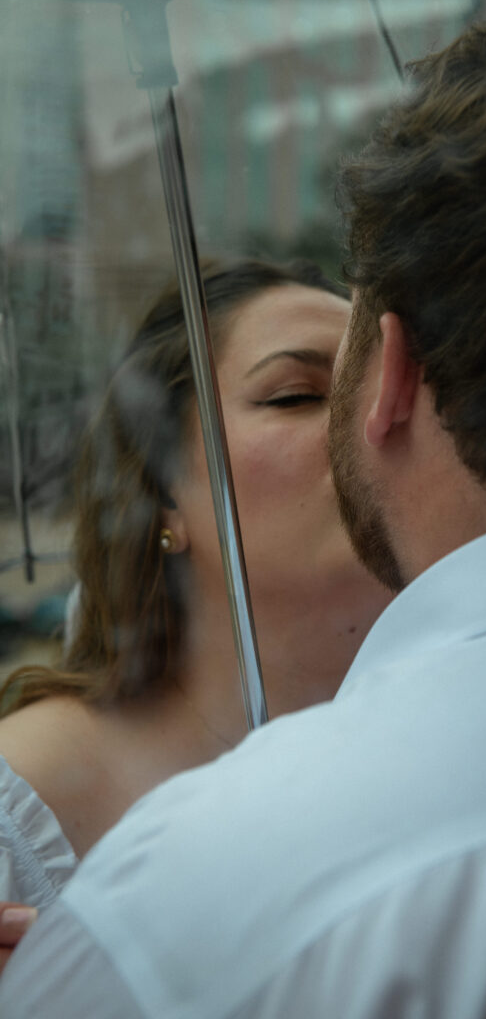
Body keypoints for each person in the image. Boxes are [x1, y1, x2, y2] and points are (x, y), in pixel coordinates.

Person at [3, 0, 486, 1014]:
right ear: (154, 496)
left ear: (397, 376)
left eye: (350, 375)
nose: (344, 425)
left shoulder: (202, 907)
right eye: (293, 393)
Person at [0, 259, 391, 914]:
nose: (375, 423)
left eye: (386, 390)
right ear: (156, 495)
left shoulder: (466, 747)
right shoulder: (23, 816)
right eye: (296, 395)